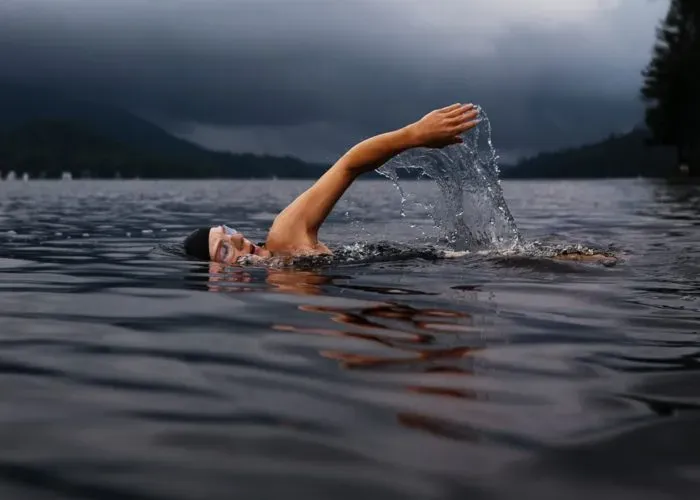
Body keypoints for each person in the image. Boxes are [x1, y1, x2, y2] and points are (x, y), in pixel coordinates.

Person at [183, 103, 480, 263]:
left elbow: (348, 166)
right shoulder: (281, 286)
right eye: (224, 249)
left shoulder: (285, 237)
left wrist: (414, 135)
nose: (236, 239)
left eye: (228, 232)